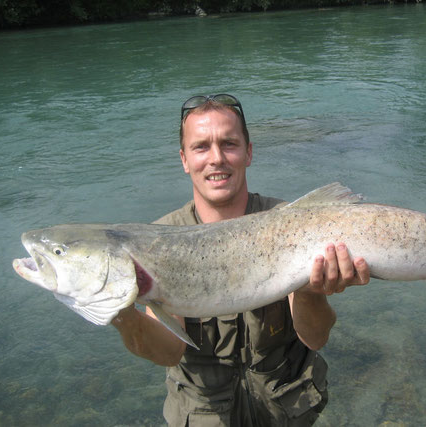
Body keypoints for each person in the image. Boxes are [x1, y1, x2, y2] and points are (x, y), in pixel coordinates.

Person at [112, 94, 370, 426]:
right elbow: (170, 352)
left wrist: (308, 291)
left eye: (229, 144)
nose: (216, 158)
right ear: (184, 159)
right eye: (201, 147)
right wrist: (124, 318)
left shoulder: (291, 224)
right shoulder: (159, 241)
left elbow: (316, 338)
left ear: (248, 152)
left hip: (287, 412)